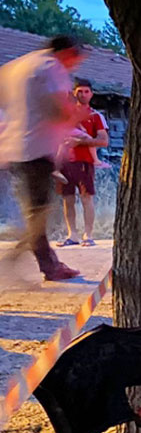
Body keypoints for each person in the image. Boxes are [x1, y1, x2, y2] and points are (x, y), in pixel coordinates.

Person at [0, 35, 86, 281]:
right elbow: (57, 110)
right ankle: (34, 262)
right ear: (68, 52)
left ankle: (45, 261)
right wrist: (75, 116)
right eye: (76, 59)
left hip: (14, 149)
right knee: (39, 211)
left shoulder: (16, 66)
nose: (75, 65)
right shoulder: (51, 67)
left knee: (36, 209)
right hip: (35, 149)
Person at [57, 77, 108, 247]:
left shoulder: (95, 116)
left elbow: (103, 141)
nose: (83, 94)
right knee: (68, 198)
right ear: (74, 93)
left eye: (86, 91)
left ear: (91, 94)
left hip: (84, 161)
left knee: (87, 198)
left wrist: (80, 143)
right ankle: (72, 235)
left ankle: (88, 235)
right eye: (80, 91)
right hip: (65, 161)